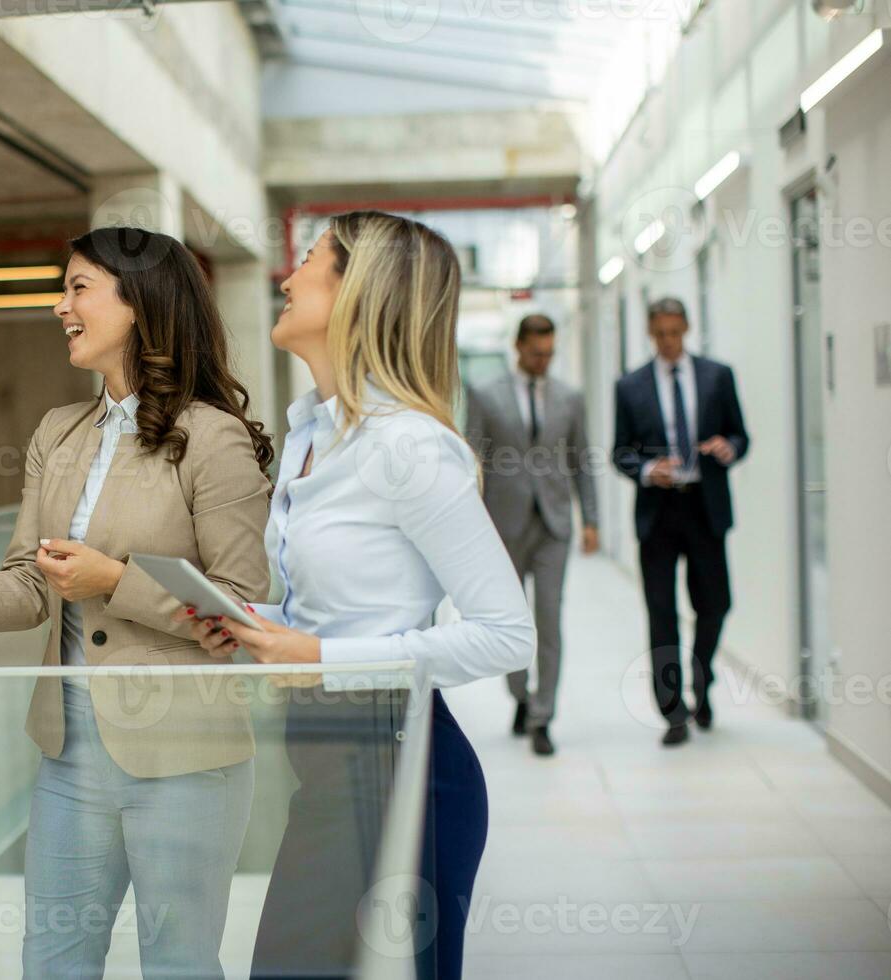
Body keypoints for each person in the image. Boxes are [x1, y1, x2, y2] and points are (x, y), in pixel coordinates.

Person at [0, 226, 274, 978]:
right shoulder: (59, 432)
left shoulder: (212, 440)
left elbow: (243, 614)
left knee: (179, 964)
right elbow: (26, 584)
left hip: (185, 754)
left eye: (78, 286)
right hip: (69, 753)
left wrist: (114, 582)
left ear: (140, 302)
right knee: (53, 960)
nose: (60, 306)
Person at [176, 211, 535, 979]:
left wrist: (320, 656)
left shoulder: (408, 447)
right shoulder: (308, 434)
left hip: (404, 769)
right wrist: (253, 625)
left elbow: (508, 634)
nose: (285, 275)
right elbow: (335, 615)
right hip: (325, 760)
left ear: (358, 291)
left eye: (307, 260)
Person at [613, 297, 749, 746]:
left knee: (715, 604)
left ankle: (701, 676)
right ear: (651, 333)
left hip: (705, 506)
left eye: (676, 332)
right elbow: (621, 452)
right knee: (662, 613)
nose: (669, 341)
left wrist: (729, 449)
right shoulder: (630, 386)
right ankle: (673, 713)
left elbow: (740, 435)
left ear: (687, 327)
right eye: (661, 334)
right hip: (659, 511)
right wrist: (649, 470)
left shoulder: (717, 375)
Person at [463, 313, 599, 756]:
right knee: (510, 620)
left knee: (549, 619)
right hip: (504, 524)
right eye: (537, 352)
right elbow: (472, 459)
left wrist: (591, 520)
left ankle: (543, 716)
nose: (544, 360)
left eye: (550, 353)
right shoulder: (485, 394)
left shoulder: (570, 398)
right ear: (519, 347)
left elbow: (580, 461)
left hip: (554, 524)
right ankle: (520, 694)